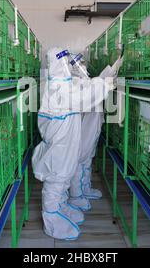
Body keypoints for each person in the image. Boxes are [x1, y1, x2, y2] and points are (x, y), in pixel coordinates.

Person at [31, 47, 114, 240]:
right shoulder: (58, 88)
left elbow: (81, 90)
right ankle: (52, 222)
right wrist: (104, 83)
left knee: (63, 178)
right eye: (65, 61)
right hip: (59, 148)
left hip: (64, 145)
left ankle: (61, 208)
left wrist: (101, 82)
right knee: (56, 180)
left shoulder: (62, 85)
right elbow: (84, 97)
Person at [67, 53, 123, 211]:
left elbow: (94, 86)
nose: (84, 65)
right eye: (81, 63)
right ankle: (76, 195)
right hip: (83, 129)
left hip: (92, 127)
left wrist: (109, 74)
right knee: (80, 159)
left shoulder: (84, 80)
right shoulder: (74, 82)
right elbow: (89, 97)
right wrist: (105, 84)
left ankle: (85, 189)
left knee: (87, 158)